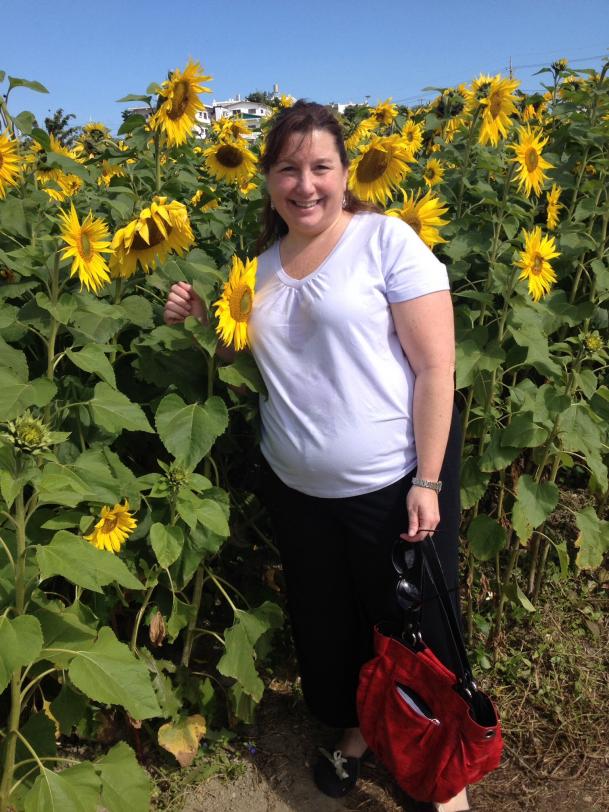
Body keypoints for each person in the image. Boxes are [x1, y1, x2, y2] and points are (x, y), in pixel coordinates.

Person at [164, 101, 469, 812]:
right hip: (297, 488)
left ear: (344, 172)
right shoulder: (259, 268)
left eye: (320, 168)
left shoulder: (385, 241)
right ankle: (360, 733)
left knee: (411, 631)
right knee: (328, 625)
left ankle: (439, 777)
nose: (305, 184)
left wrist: (427, 478)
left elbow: (435, 370)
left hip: (391, 481)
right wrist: (196, 320)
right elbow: (240, 356)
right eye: (288, 170)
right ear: (267, 180)